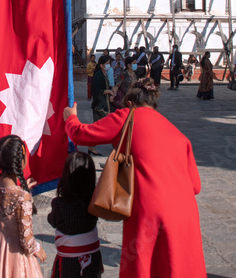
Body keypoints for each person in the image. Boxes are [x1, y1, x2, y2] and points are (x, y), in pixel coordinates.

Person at [63, 78, 207, 278]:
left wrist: (70, 118)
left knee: (143, 267)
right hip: (185, 211)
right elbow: (196, 186)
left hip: (150, 208)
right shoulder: (177, 133)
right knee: (176, 267)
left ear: (129, 104)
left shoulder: (126, 116)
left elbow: (81, 134)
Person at [0, 135, 46, 278]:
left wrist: (22, 189)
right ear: (21, 161)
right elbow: (26, 239)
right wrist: (37, 248)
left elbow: (7, 198)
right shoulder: (22, 197)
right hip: (16, 254)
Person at [47, 152, 103, 277]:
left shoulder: (59, 204)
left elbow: (53, 221)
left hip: (69, 260)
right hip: (92, 257)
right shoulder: (94, 201)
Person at [90, 55, 113, 155]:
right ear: (102, 65)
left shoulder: (105, 74)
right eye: (107, 64)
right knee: (107, 128)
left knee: (100, 128)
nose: (108, 65)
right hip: (100, 105)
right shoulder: (98, 75)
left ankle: (91, 146)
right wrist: (107, 91)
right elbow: (95, 90)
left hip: (105, 104)